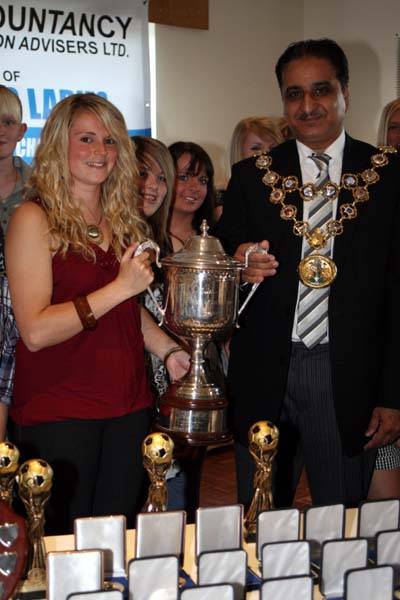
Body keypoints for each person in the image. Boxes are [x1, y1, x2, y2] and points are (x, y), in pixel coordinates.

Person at [214, 38, 400, 508]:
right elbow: (218, 260)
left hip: (346, 371)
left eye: (321, 90)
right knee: (258, 517)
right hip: (263, 370)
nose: (308, 105)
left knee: (340, 520)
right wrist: (239, 261)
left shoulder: (390, 177)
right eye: (294, 94)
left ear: (345, 94)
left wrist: (393, 394)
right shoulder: (253, 177)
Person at [6, 93, 189, 534]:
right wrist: (119, 287)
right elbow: (34, 330)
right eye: (86, 139)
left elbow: (126, 306)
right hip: (59, 410)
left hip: (129, 405)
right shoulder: (32, 218)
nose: (100, 152)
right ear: (57, 145)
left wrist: (166, 349)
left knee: (114, 538)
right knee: (61, 547)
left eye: (110, 141)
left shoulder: (121, 216)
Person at [0, 86, 30, 440]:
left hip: (26, 325)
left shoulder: (41, 190)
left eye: (7, 121)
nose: (0, 130)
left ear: (22, 130)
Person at [168, 141, 216, 251]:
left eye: (202, 181)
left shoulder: (216, 238)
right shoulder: (142, 235)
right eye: (183, 177)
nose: (194, 187)